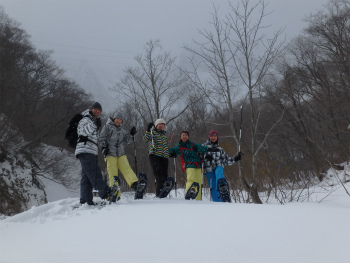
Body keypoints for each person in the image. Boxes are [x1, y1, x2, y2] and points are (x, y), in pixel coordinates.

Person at [75, 102, 111, 205]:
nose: (97, 111)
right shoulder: (85, 119)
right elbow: (83, 131)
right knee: (95, 173)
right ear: (91, 109)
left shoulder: (92, 121)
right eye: (95, 109)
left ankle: (85, 200)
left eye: (99, 110)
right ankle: (106, 193)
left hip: (89, 151)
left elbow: (95, 138)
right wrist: (94, 124)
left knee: (86, 179)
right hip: (86, 150)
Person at [98, 112, 138, 200]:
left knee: (126, 168)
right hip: (110, 153)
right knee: (113, 173)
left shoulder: (122, 130)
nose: (119, 121)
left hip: (120, 153)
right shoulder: (107, 127)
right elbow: (101, 138)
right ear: (114, 119)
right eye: (118, 119)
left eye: (121, 120)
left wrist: (131, 134)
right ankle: (115, 193)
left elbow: (126, 141)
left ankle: (135, 183)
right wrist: (104, 148)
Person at [202, 130, 242, 202]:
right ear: (209, 137)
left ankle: (222, 184)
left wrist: (235, 159)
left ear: (217, 137)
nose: (213, 138)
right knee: (213, 187)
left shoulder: (220, 149)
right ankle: (218, 202)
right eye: (211, 136)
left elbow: (225, 160)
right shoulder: (203, 147)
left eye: (215, 136)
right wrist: (205, 156)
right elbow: (199, 155)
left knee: (219, 171)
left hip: (218, 165)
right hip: (209, 169)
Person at [169, 131, 208, 200]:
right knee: (190, 179)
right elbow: (170, 150)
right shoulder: (179, 147)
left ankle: (197, 199)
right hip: (189, 165)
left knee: (198, 182)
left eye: (186, 135)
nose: (184, 136)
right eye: (183, 135)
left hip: (198, 165)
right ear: (180, 137)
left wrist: (210, 149)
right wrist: (171, 153)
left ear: (188, 137)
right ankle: (190, 195)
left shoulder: (192, 145)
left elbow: (202, 148)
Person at [143, 119, 170, 197]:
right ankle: (159, 193)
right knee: (159, 174)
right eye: (159, 124)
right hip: (155, 155)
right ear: (156, 125)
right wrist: (148, 130)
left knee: (165, 175)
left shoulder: (165, 136)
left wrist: (170, 152)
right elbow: (145, 139)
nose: (161, 126)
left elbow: (166, 146)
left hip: (164, 156)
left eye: (162, 124)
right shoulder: (153, 132)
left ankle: (163, 192)